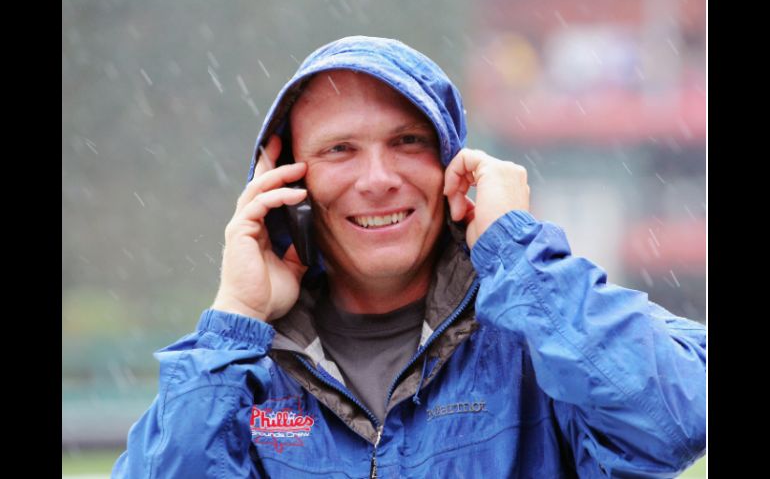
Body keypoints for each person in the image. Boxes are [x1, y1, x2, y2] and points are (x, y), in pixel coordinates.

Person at [112, 35, 706, 478]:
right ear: (285, 186)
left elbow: (677, 421)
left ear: (454, 168)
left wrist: (518, 255)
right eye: (340, 149)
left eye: (407, 142)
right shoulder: (238, 369)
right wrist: (235, 318)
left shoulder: (541, 332)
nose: (377, 179)